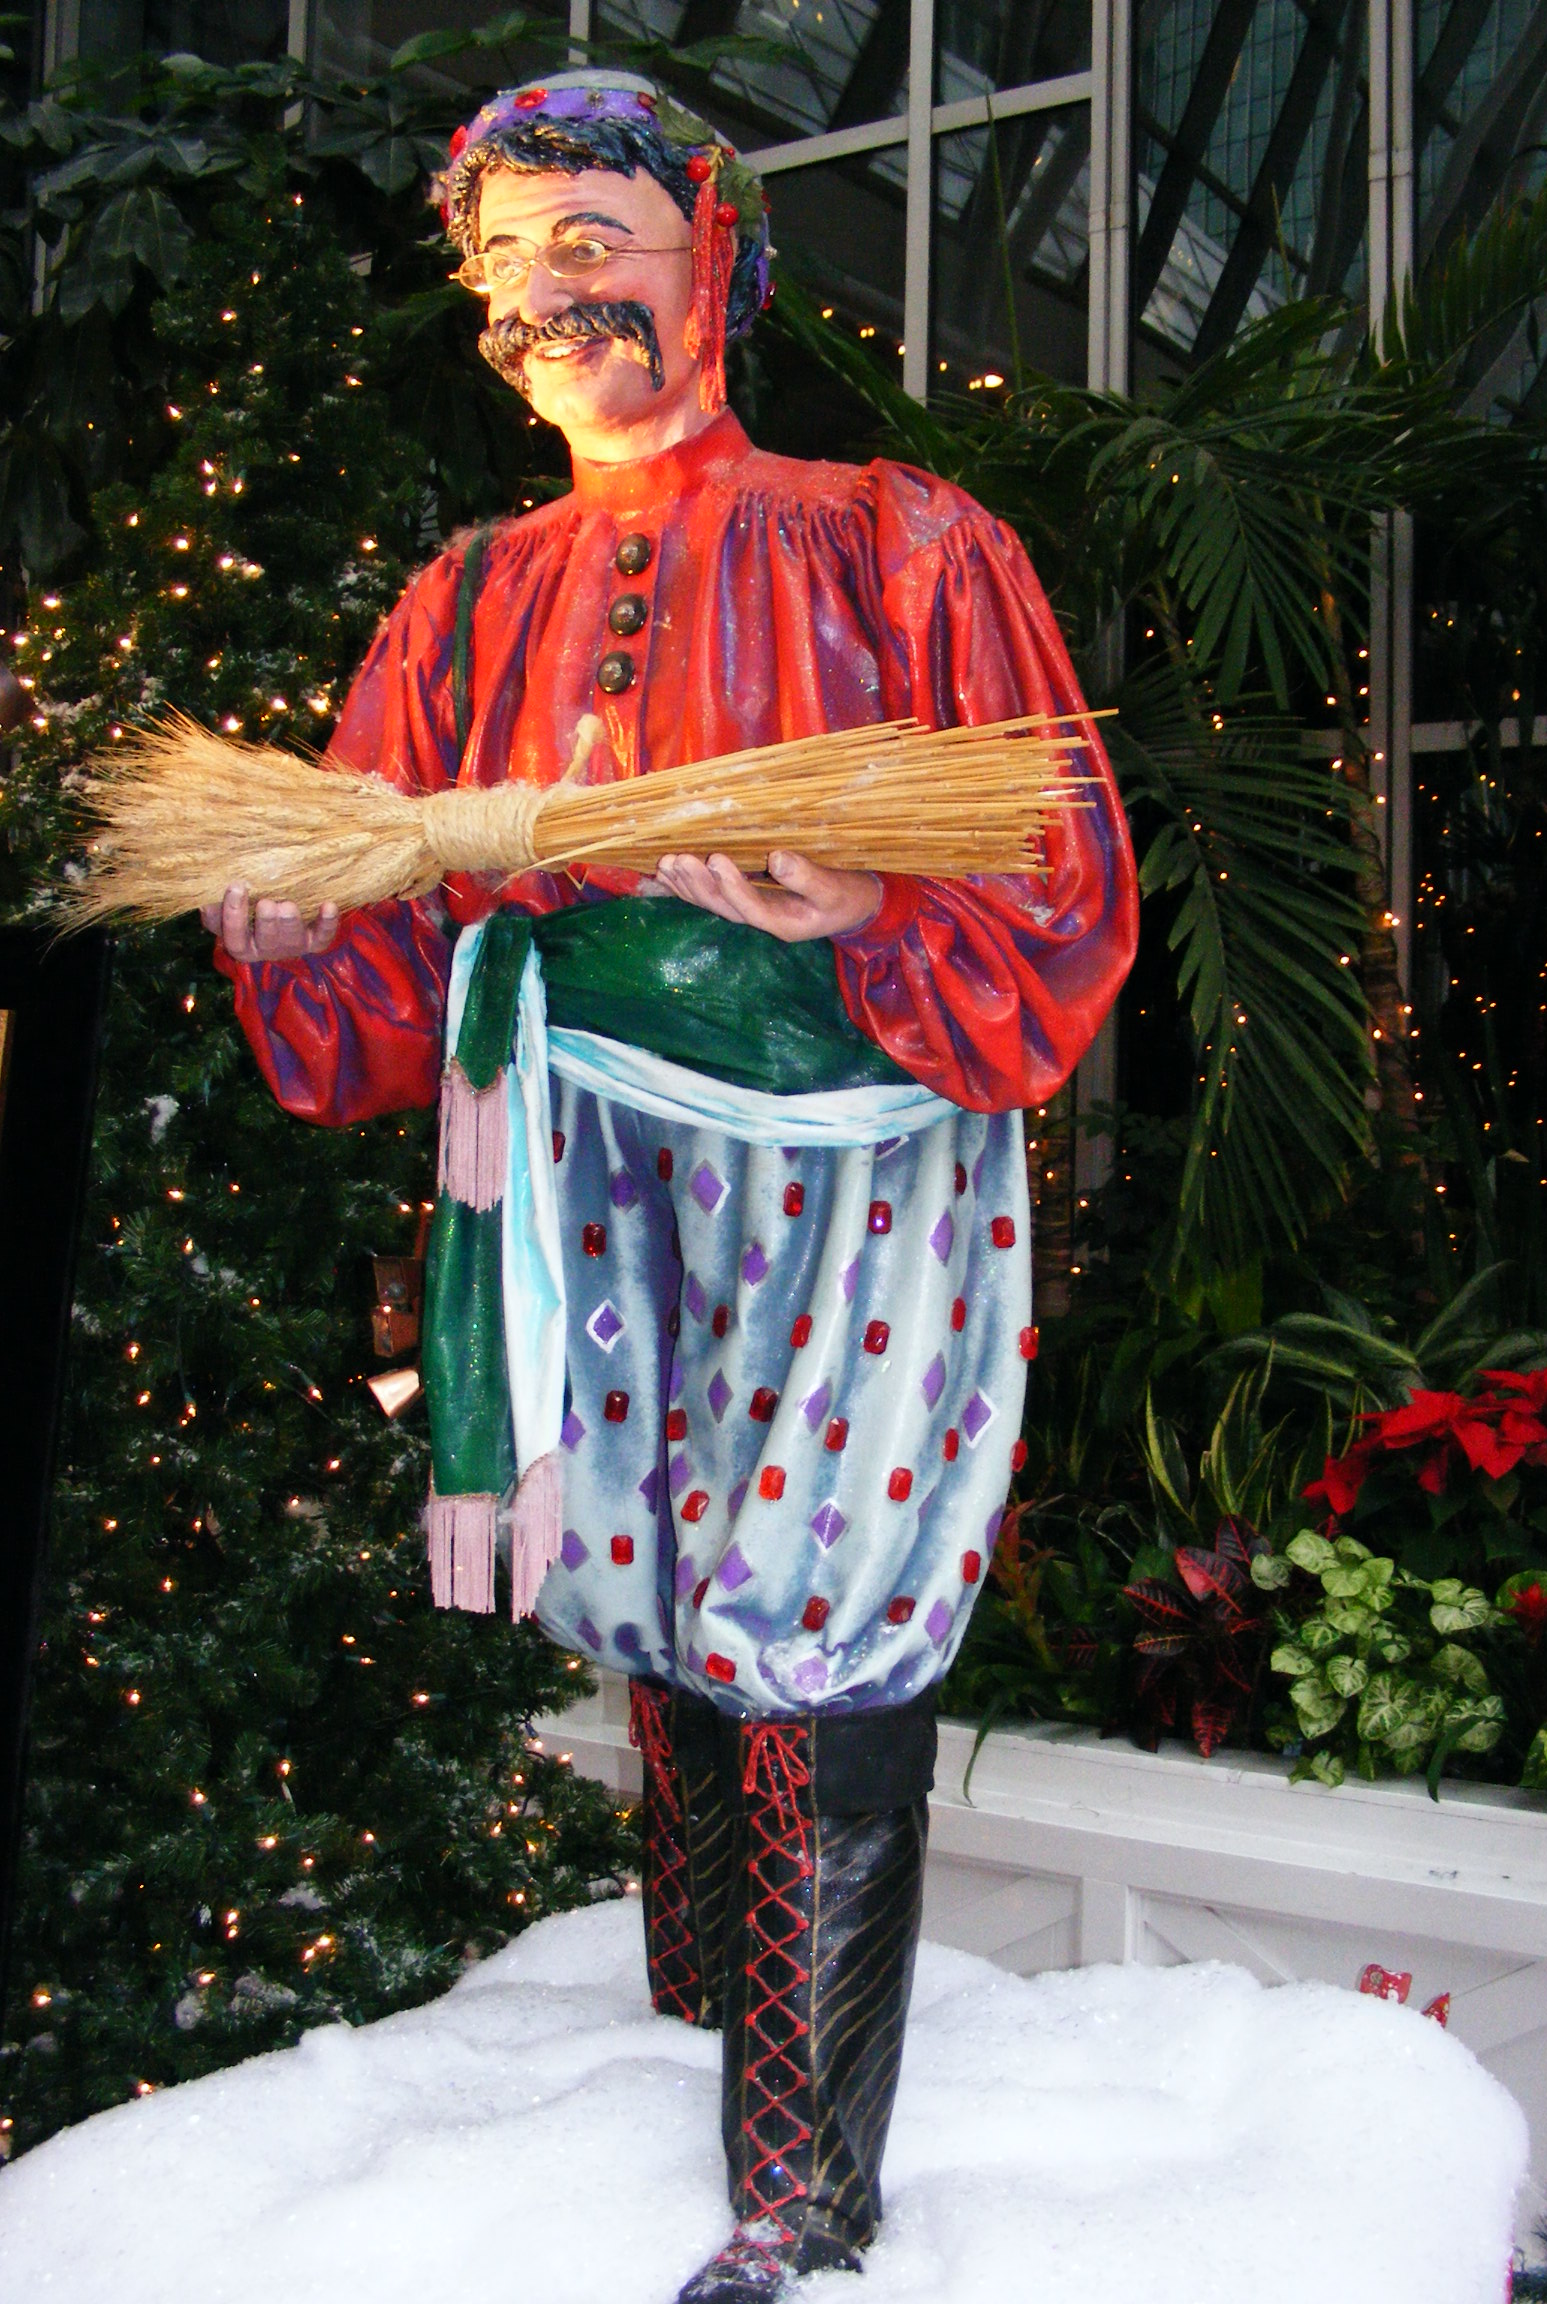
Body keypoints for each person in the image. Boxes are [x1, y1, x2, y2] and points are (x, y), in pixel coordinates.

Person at [206, 69, 1137, 2304]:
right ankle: (692, 2028)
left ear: (716, 259)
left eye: (595, 239)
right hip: (581, 1146)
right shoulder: (458, 602)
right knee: (650, 1578)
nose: (551, 291)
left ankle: (801, 2194)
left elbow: (1059, 874)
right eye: (510, 256)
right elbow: (378, 986)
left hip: (854, 1160)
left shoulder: (906, 541)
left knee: (816, 1601)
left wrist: (868, 908)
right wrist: (297, 926)